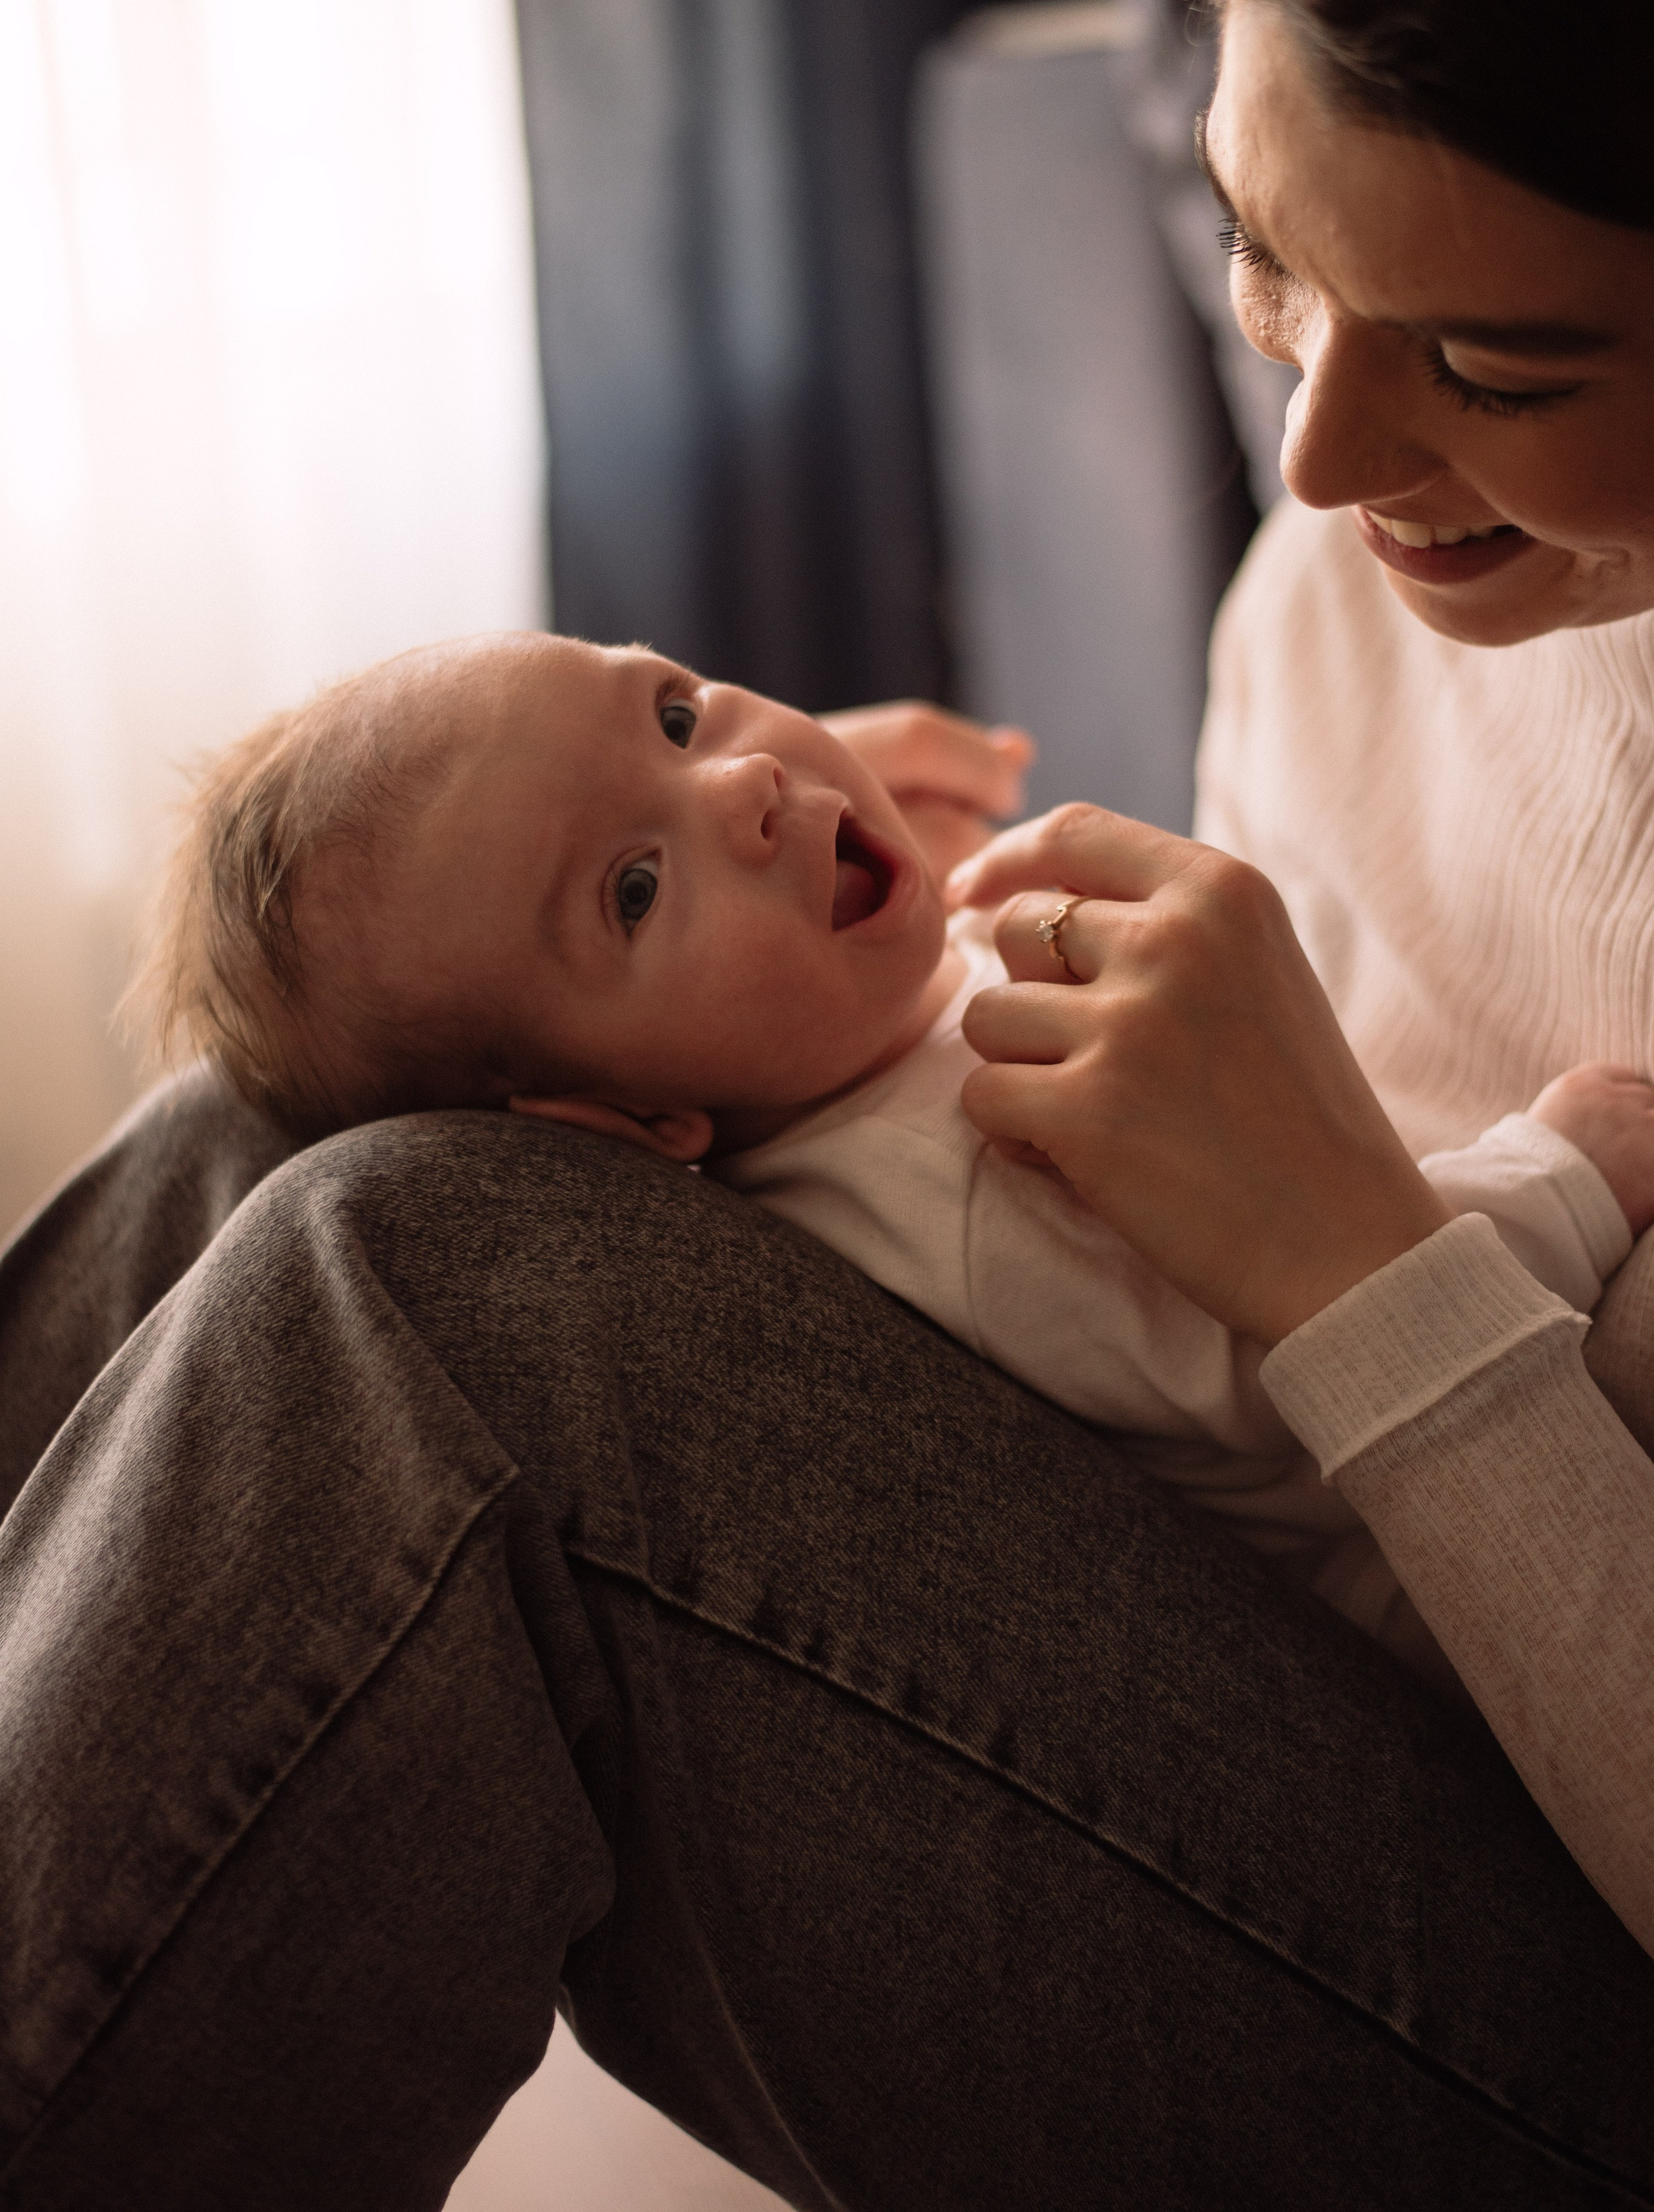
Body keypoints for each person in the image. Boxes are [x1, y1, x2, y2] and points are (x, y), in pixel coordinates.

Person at [5, 0, 1654, 2211]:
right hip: (1277, 1573)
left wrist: (1360, 1265)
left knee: (422, 1274)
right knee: (281, 1099)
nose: (1313, 459)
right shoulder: (1351, 583)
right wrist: (815, 899)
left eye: (1492, 369)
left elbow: (1297, 1240)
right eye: (1270, 257)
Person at [137, 631, 1651, 1691]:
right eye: (633, 888)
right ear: (628, 1133)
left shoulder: (853, 1066)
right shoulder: (975, 1185)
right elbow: (1315, 1359)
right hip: (1478, 1615)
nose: (741, 780)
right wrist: (1556, 1173)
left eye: (671, 711)